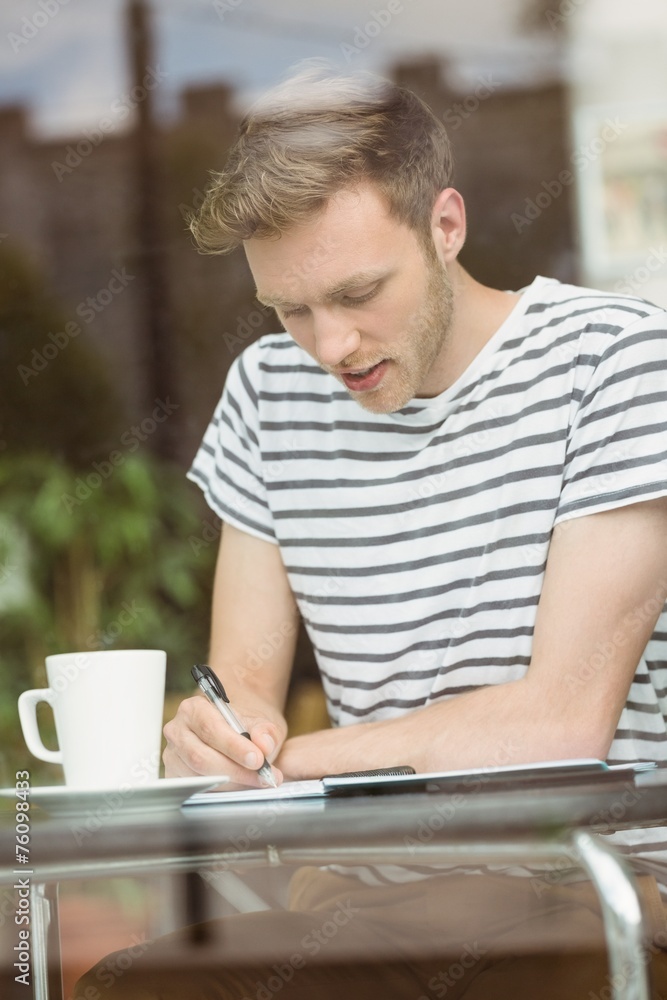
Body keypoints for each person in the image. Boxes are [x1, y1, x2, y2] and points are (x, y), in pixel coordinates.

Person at [76, 64, 667, 999]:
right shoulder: (270, 396)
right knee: (128, 988)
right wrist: (221, 740)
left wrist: (293, 762)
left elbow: (558, 728)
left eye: (358, 293)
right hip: (367, 905)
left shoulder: (617, 363)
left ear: (445, 225)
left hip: (591, 891)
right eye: (290, 309)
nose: (331, 346)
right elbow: (245, 695)